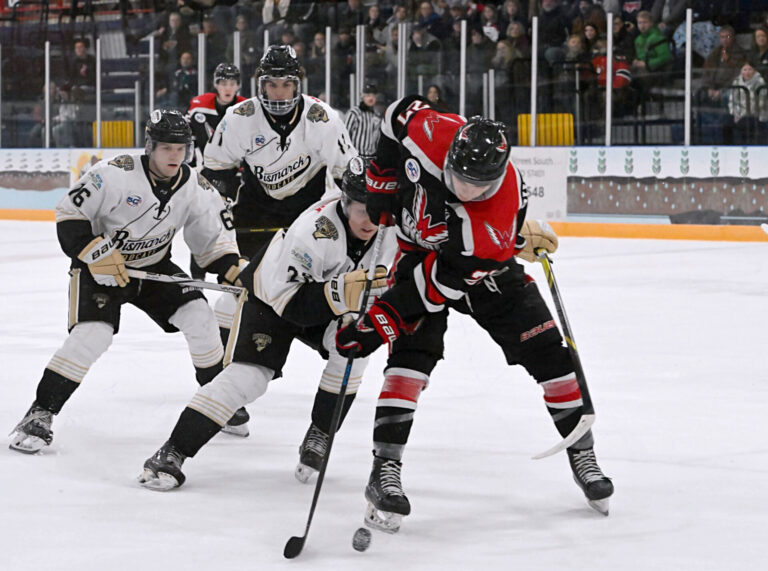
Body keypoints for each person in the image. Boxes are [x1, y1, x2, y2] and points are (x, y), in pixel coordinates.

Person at [334, 96, 615, 533]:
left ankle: (583, 453)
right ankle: (384, 469)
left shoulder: (491, 223)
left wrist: (375, 325)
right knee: (410, 359)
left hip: (469, 268)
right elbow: (395, 115)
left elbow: (432, 287)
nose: (465, 190)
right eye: (460, 179)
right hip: (417, 250)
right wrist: (381, 183)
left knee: (548, 353)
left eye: (477, 186)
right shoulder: (434, 133)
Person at [137, 157, 397, 491]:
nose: (371, 219)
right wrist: (340, 295)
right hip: (274, 298)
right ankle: (172, 451)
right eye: (362, 209)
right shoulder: (314, 232)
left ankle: (320, 433)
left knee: (353, 348)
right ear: (345, 201)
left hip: (330, 300)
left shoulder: (393, 227)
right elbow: (293, 306)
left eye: (379, 209)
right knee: (249, 378)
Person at [9, 109, 249, 455]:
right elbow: (69, 214)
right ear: (149, 146)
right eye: (166, 148)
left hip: (153, 267)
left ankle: (216, 398)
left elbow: (213, 242)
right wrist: (92, 250)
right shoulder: (113, 174)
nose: (175, 156)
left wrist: (232, 269)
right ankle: (40, 412)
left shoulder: (195, 186)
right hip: (100, 270)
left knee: (200, 316)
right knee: (94, 334)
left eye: (181, 148)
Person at [201, 45, 357, 346]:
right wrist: (221, 227)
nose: (280, 93)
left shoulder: (323, 118)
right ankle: (221, 367)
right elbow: (215, 174)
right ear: (261, 85)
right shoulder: (239, 117)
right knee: (237, 296)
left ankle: (319, 341)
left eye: (286, 84)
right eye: (272, 84)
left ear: (297, 84)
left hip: (307, 218)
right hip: (253, 216)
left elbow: (347, 179)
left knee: (302, 298)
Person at [186, 63, 247, 168]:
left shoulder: (246, 109)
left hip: (237, 170)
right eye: (223, 83)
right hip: (206, 168)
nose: (228, 88)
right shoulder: (198, 106)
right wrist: (192, 164)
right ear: (216, 84)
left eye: (232, 84)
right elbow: (187, 134)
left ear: (238, 86)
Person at [345, 83, 382, 156]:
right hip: (355, 155)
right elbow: (345, 134)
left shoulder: (376, 115)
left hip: (370, 156)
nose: (371, 98)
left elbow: (377, 138)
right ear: (363, 97)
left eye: (373, 96)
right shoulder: (354, 113)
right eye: (368, 96)